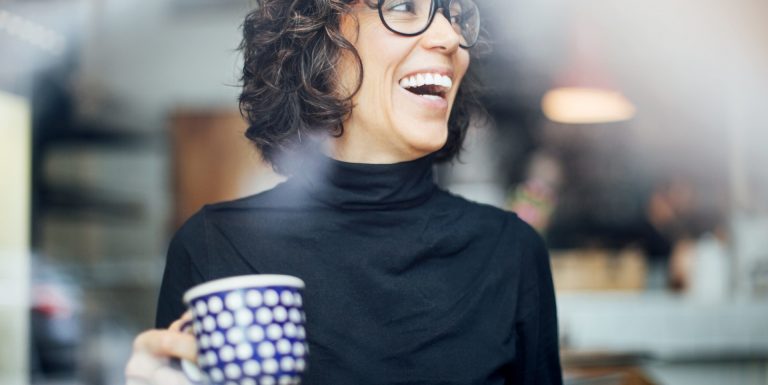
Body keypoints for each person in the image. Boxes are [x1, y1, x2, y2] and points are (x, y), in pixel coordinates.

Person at [125, 0, 562, 384]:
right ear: (318, 38)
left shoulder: (510, 253)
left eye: (455, 13)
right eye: (403, 6)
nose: (450, 38)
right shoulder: (213, 248)